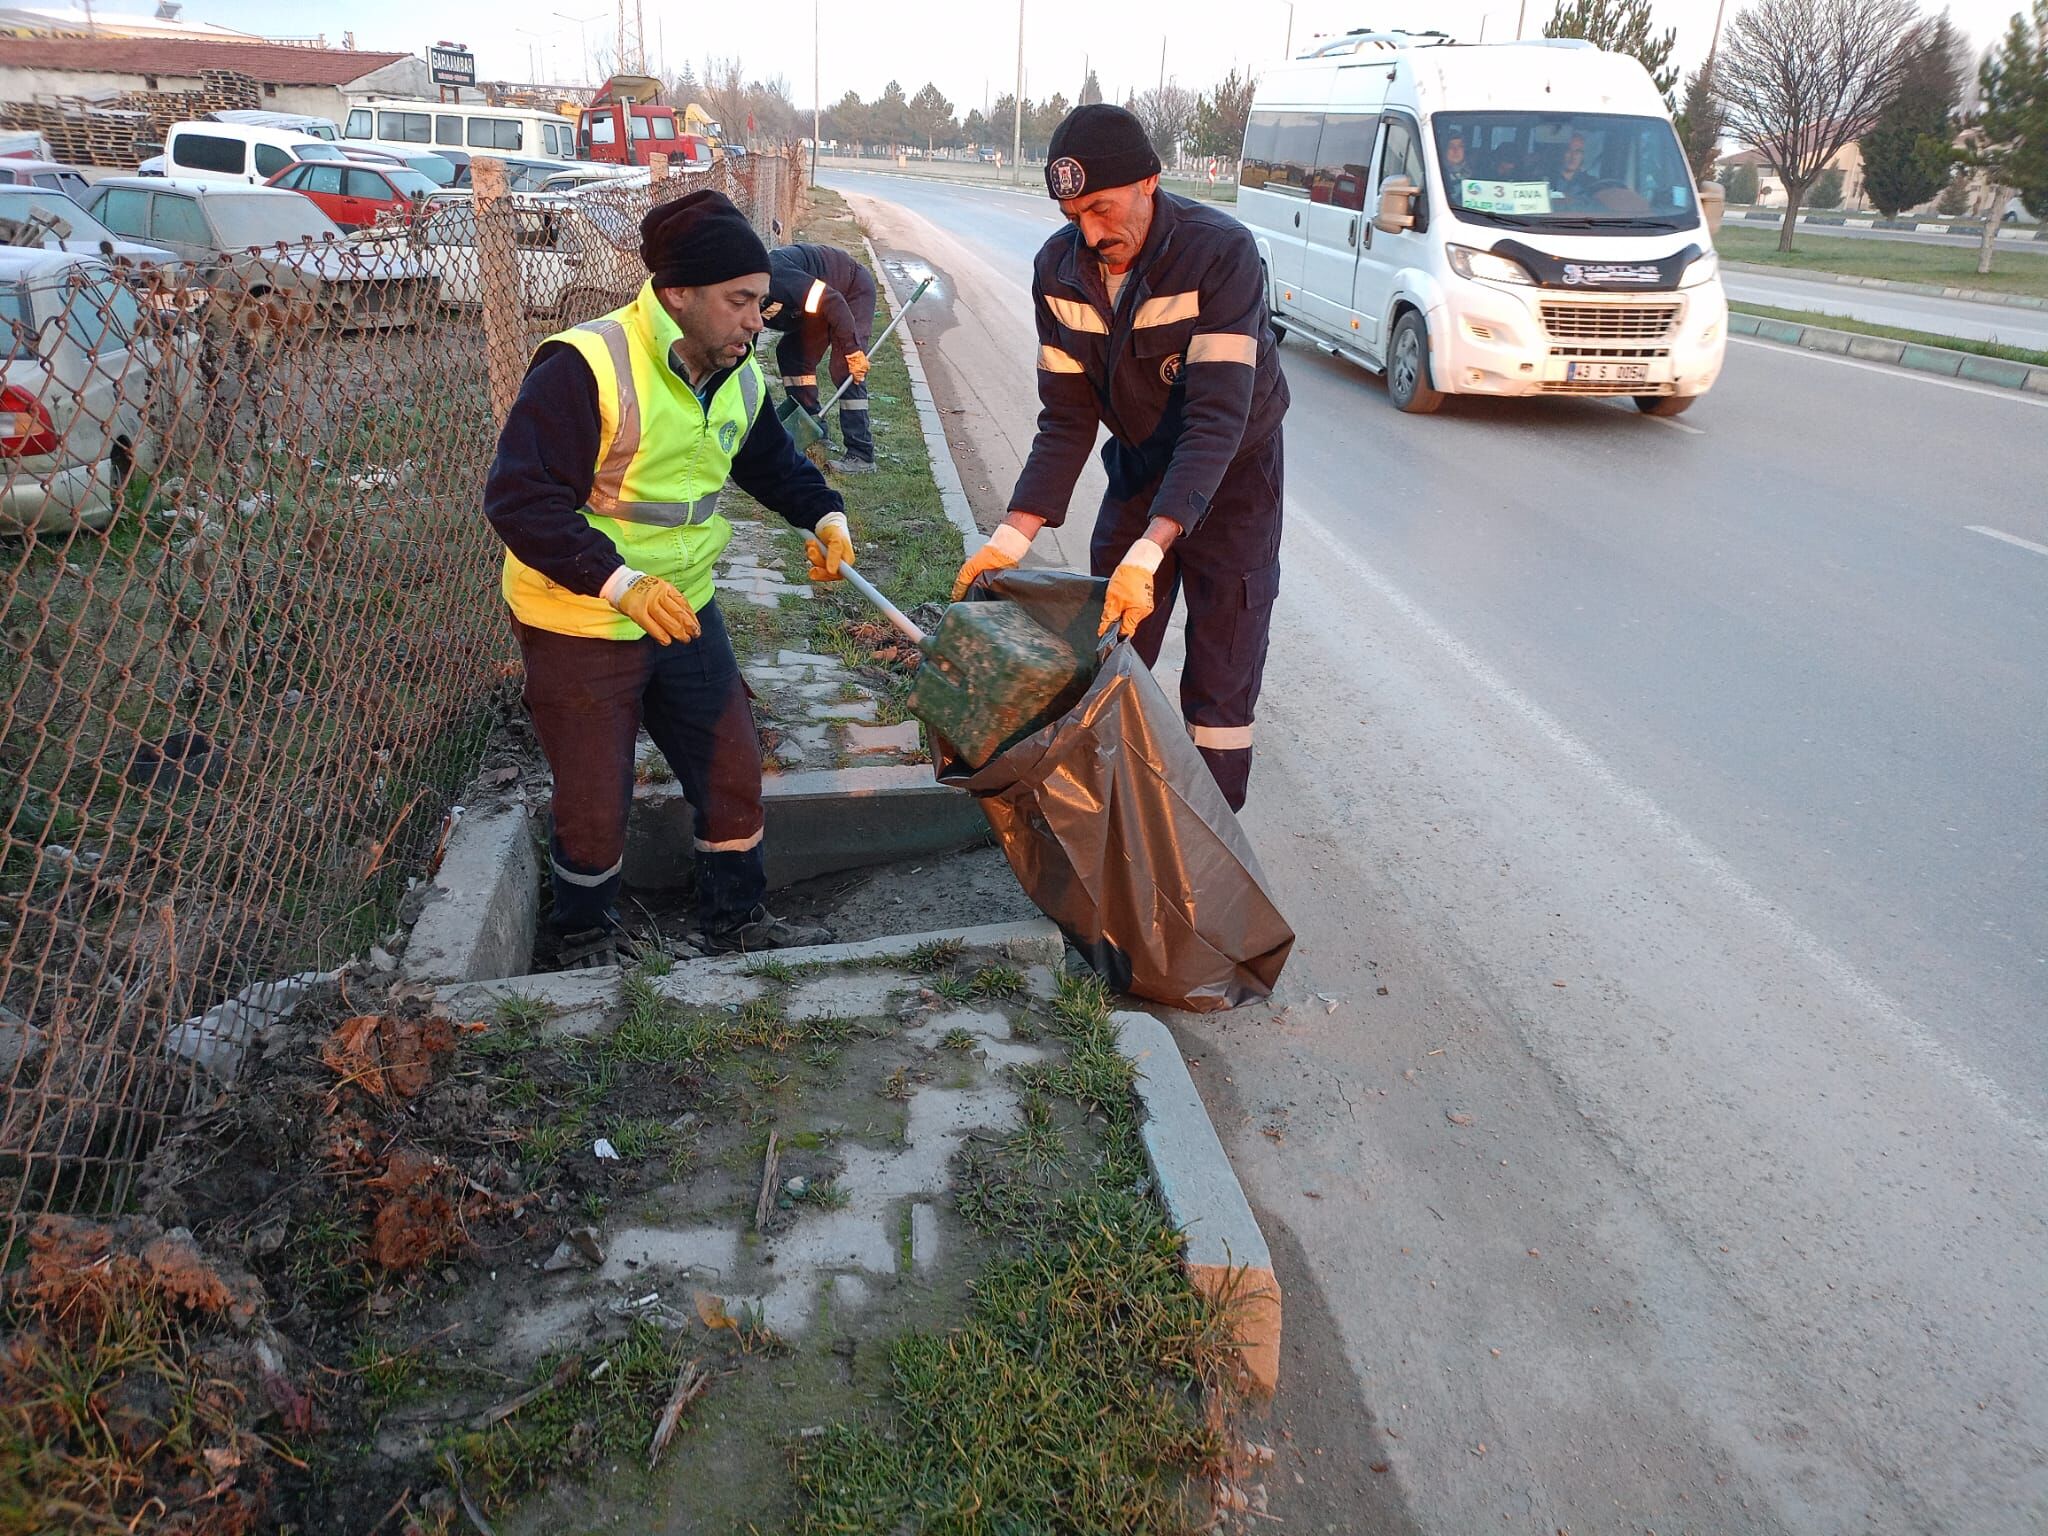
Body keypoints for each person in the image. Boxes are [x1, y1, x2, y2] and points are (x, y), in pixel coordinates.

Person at [484, 189, 854, 965]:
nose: (760, 319)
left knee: (732, 762)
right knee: (594, 795)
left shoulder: (737, 372)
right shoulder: (585, 365)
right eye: (740, 301)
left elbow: (767, 463)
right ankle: (583, 937)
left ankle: (736, 920)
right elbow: (519, 500)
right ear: (677, 294)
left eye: (762, 300)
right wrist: (619, 584)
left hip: (684, 607)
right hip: (580, 615)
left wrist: (825, 515)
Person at [948, 104, 1289, 812]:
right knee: (1105, 655)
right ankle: (1105, 828)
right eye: (1074, 215)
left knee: (1221, 683)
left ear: (1150, 182)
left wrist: (1151, 551)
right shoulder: (1058, 270)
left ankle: (1209, 854)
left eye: (1102, 208)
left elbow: (1216, 420)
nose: (1091, 232)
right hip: (1139, 467)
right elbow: (1067, 419)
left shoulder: (1219, 253)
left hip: (1233, 481)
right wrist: (1013, 535)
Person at [761, 241, 877, 474]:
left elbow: (832, 300)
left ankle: (862, 454)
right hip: (815, 309)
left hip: (849, 290)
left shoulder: (777, 277)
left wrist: (853, 351)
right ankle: (815, 428)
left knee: (845, 367)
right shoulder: (740, 295)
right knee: (792, 354)